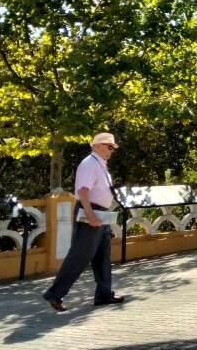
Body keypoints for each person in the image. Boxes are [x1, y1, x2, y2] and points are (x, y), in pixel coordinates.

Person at [42, 132, 123, 312]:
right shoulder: (89, 164)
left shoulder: (100, 164)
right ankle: (55, 294)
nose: (112, 150)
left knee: (103, 256)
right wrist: (90, 214)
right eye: (109, 147)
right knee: (79, 256)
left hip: (100, 213)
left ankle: (104, 294)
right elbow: (83, 191)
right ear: (98, 146)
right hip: (91, 212)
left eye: (112, 148)